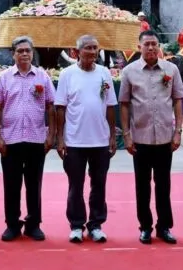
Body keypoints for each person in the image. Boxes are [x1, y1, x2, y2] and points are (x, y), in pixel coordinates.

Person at [119, 30, 183, 245]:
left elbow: (177, 101)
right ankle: (145, 227)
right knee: (142, 186)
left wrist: (178, 132)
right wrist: (127, 136)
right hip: (140, 138)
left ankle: (164, 227)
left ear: (159, 46)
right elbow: (125, 104)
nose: (151, 48)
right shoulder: (129, 72)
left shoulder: (171, 69)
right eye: (146, 44)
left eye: (154, 44)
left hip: (166, 138)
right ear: (139, 47)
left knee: (164, 185)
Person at [0, 36, 56, 242]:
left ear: (32, 52)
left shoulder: (42, 77)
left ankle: (33, 224)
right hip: (11, 140)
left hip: (36, 139)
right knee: (11, 185)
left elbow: (51, 106)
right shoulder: (4, 78)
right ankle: (12, 224)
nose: (25, 54)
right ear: (13, 54)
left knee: (34, 184)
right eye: (20, 51)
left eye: (28, 50)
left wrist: (51, 134)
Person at [55, 35, 117, 243]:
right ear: (77, 51)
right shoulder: (67, 74)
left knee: (99, 184)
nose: (92, 52)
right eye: (87, 48)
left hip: (100, 141)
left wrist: (111, 137)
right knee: (76, 185)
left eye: (95, 48)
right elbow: (60, 108)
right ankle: (76, 225)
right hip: (74, 141)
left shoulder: (104, 73)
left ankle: (96, 224)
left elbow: (110, 106)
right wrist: (60, 139)